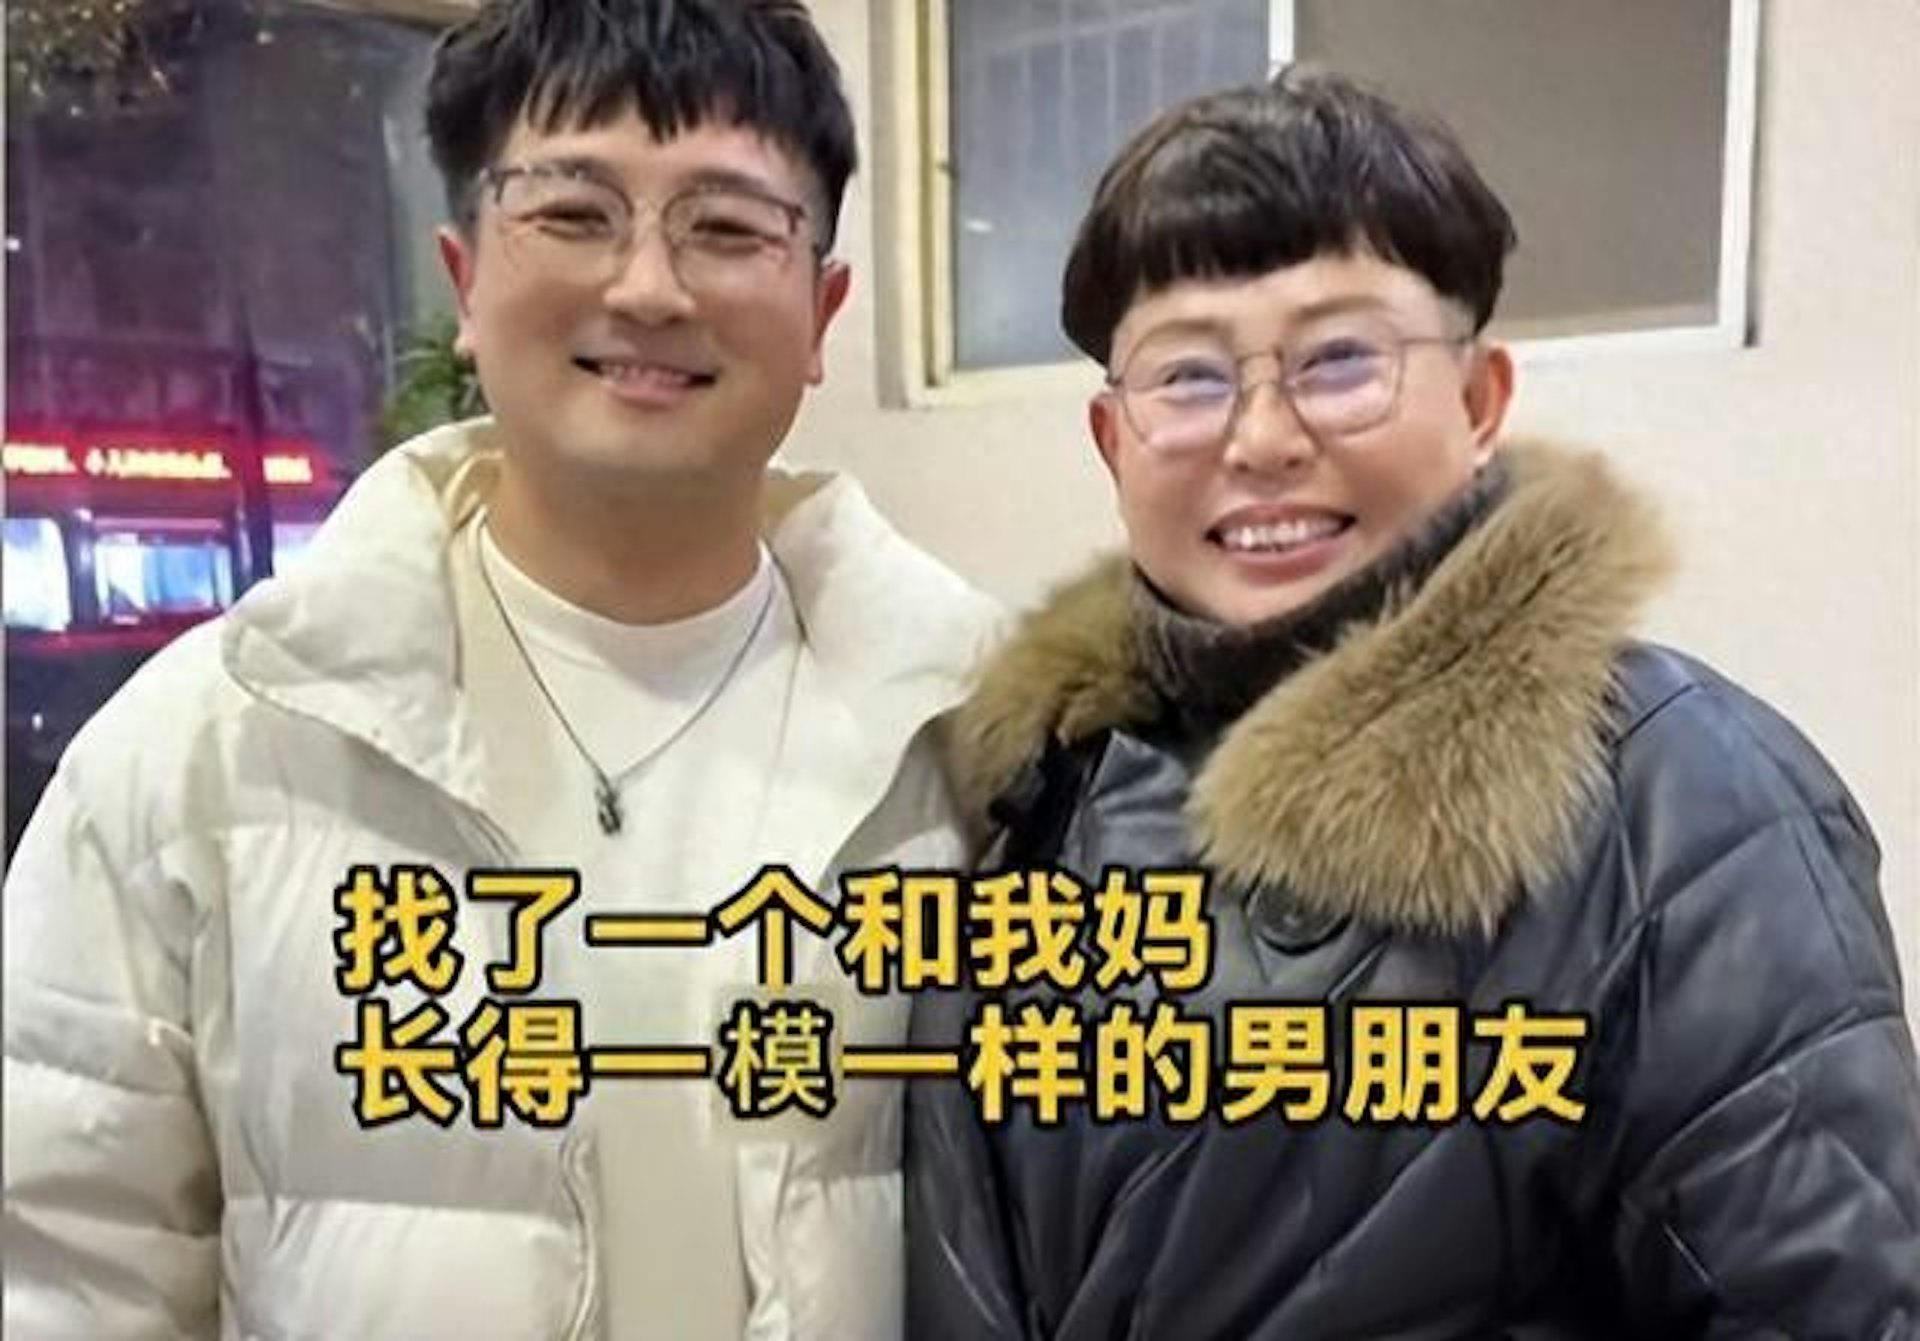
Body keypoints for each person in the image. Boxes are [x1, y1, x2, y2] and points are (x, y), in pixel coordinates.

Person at [4, 1, 996, 1336]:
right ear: (465, 279)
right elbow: (66, 1265)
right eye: (574, 213)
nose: (648, 287)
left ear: (823, 312)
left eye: (726, 227)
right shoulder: (205, 753)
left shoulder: (973, 741)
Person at [907, 67, 1920, 1338]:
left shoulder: (1688, 806)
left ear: (1481, 401)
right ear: (1114, 441)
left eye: (1341, 360)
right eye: (1190, 376)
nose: (1262, 438)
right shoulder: (1032, 788)